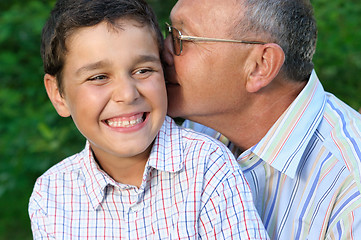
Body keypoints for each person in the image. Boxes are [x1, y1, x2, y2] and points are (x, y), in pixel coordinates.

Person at [28, 0, 269, 239]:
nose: (127, 94)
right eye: (99, 77)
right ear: (58, 95)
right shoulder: (51, 194)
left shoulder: (208, 166)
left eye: (143, 71)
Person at [163, 0, 361, 239]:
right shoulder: (196, 129)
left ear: (260, 66)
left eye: (181, 38)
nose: (160, 52)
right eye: (168, 31)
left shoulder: (351, 188)